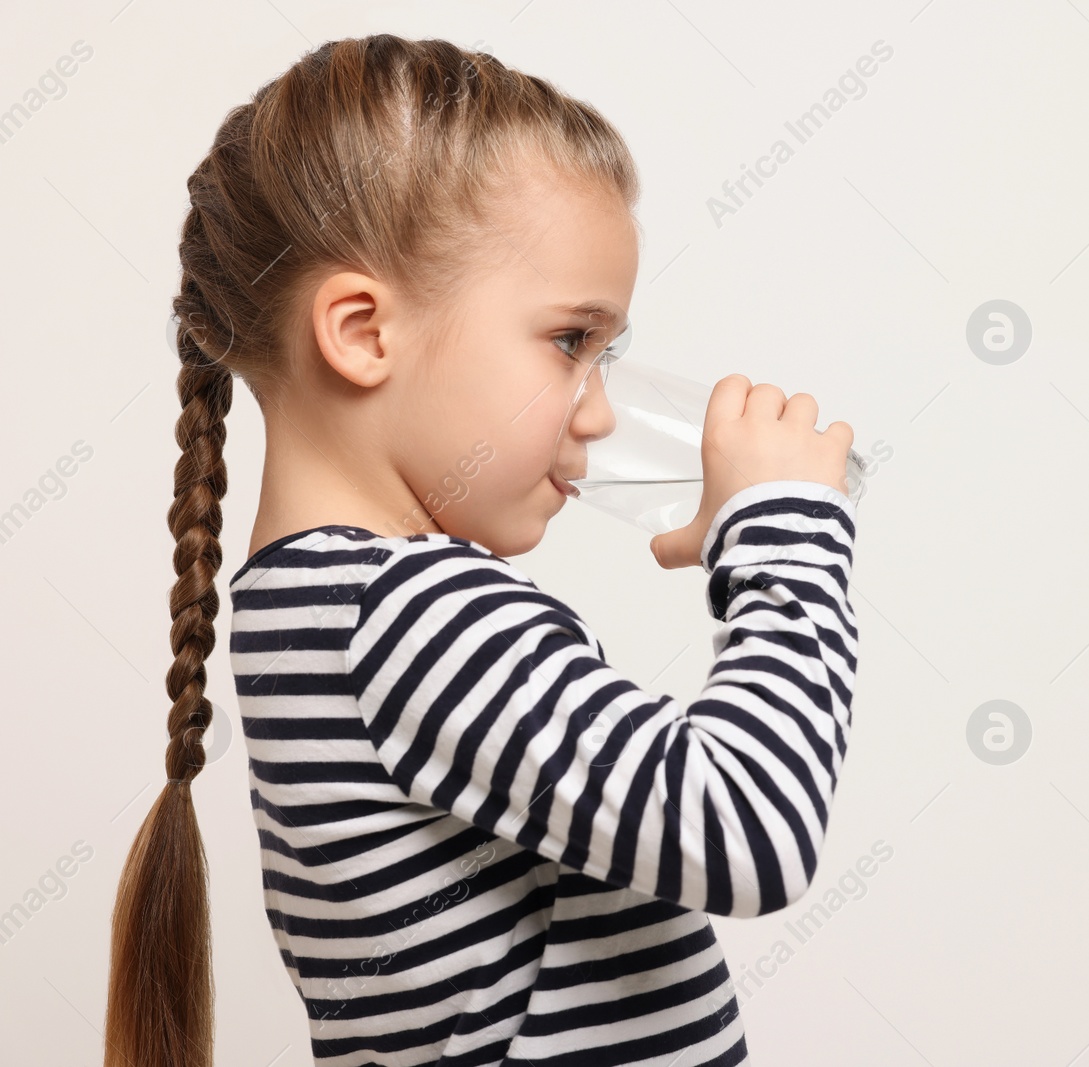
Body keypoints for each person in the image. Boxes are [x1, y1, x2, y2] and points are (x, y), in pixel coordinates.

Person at [104, 34, 859, 1067]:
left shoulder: (308, 604)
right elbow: (746, 830)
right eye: (569, 341)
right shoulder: (415, 609)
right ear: (363, 331)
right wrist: (783, 538)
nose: (596, 412)